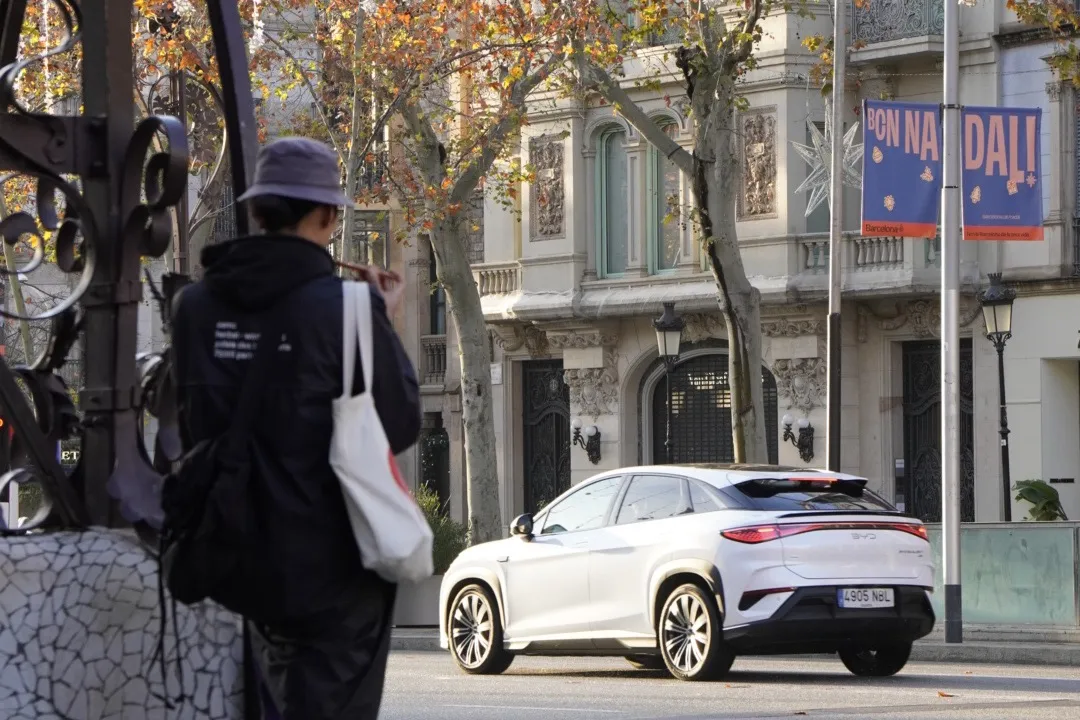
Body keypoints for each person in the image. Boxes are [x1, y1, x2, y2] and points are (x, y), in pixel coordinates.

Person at [170, 136, 421, 719]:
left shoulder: (195, 308)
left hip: (237, 558)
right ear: (329, 216)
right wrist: (382, 322)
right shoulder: (351, 311)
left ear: (257, 212)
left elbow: (193, 426)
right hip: (333, 569)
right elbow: (400, 424)